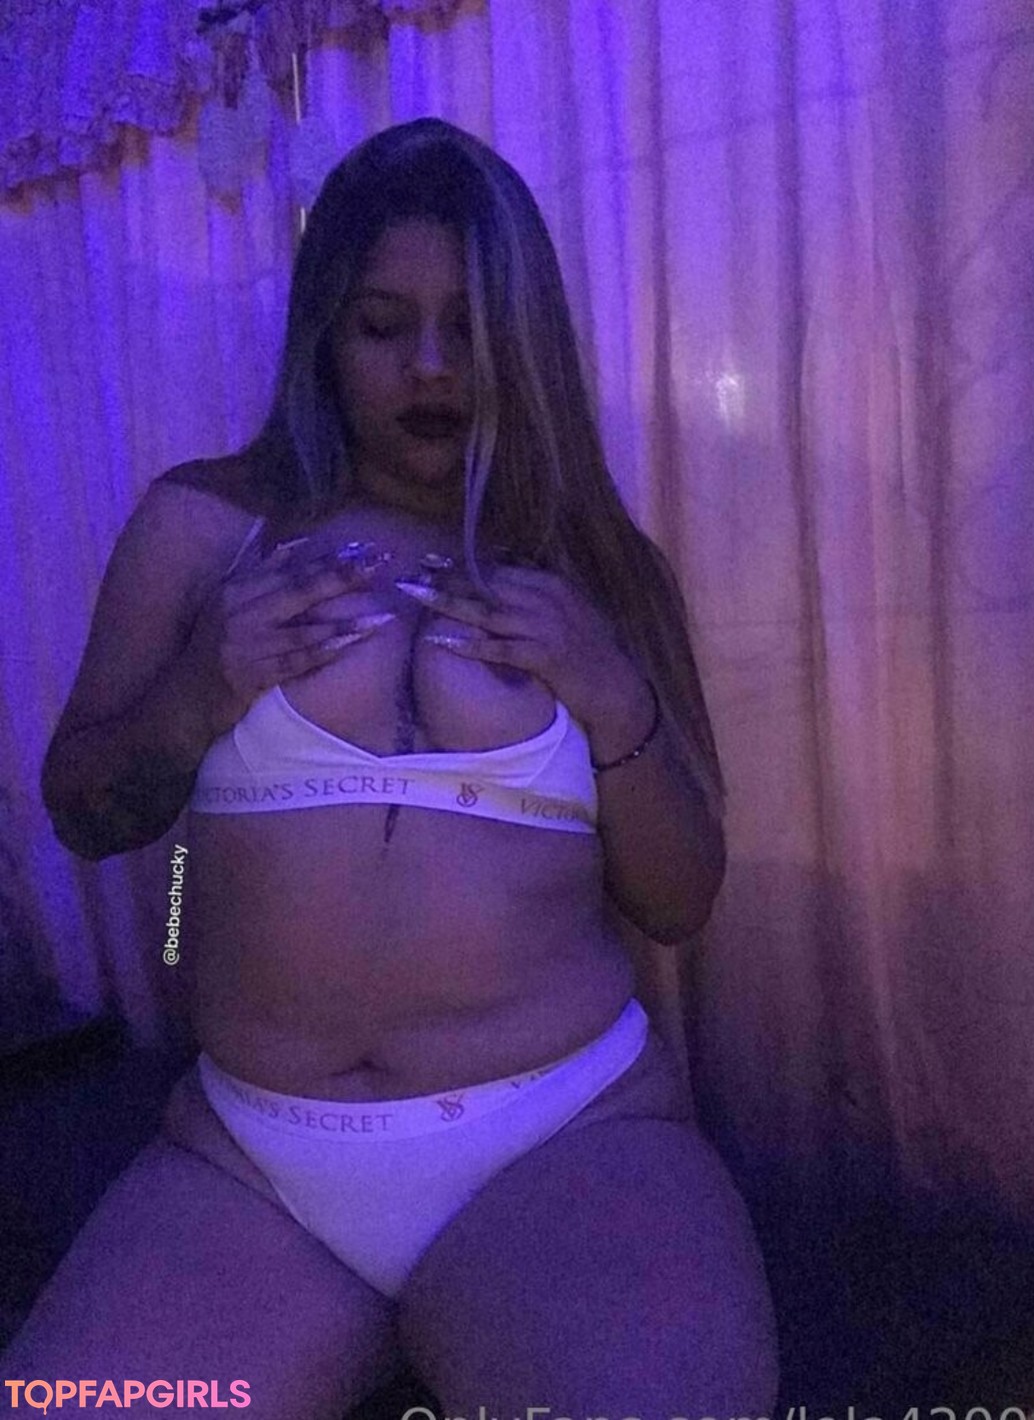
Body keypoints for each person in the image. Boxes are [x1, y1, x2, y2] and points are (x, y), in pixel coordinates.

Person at [9, 118, 777, 1416]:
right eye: (383, 325)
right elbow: (88, 813)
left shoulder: (598, 564)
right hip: (252, 1163)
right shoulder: (204, 529)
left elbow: (678, 898)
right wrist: (198, 690)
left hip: (564, 1134)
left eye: (470, 327)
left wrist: (609, 693)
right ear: (324, 333)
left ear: (524, 338)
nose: (430, 365)